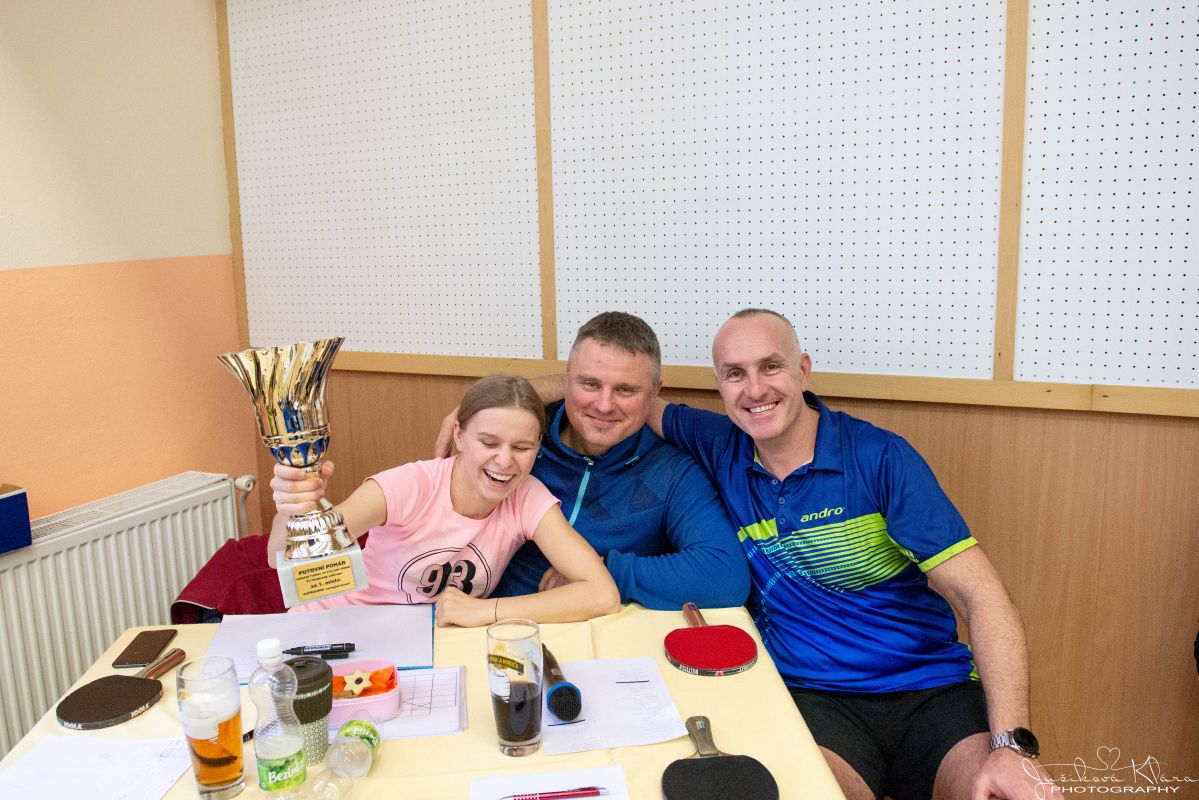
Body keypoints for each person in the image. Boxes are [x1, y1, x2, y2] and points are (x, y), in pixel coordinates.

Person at [523, 309, 1055, 800]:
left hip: (930, 687)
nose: (755, 389)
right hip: (809, 698)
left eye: (771, 366)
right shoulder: (718, 442)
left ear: (803, 370)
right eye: (735, 374)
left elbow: (984, 597)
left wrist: (1013, 745)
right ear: (720, 386)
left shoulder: (879, 457)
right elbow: (617, 397)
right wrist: (516, 393)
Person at [434, 312, 749, 611]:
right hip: (490, 621)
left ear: (655, 392)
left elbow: (725, 576)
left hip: (603, 625)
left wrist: (603, 571)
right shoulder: (519, 440)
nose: (604, 405)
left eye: (625, 390)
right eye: (590, 384)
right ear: (567, 379)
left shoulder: (671, 470)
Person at [269, 374, 619, 627]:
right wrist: (291, 509)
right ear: (459, 436)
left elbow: (602, 594)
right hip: (339, 627)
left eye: (521, 447)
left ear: (537, 447)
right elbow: (282, 556)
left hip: (429, 644)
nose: (504, 461)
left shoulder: (526, 496)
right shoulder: (409, 485)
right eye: (489, 442)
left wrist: (486, 611)